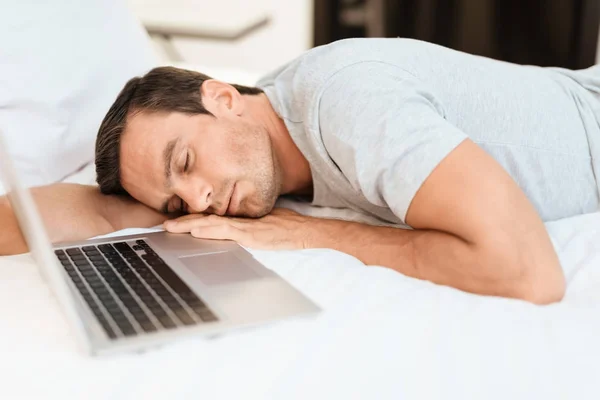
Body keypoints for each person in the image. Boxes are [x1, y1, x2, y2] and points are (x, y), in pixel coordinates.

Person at [5, 38, 600, 304]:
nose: (201, 199)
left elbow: (528, 274)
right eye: (176, 204)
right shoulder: (251, 146)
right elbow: (91, 209)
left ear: (222, 97)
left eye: (183, 163)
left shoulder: (347, 104)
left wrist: (311, 233)